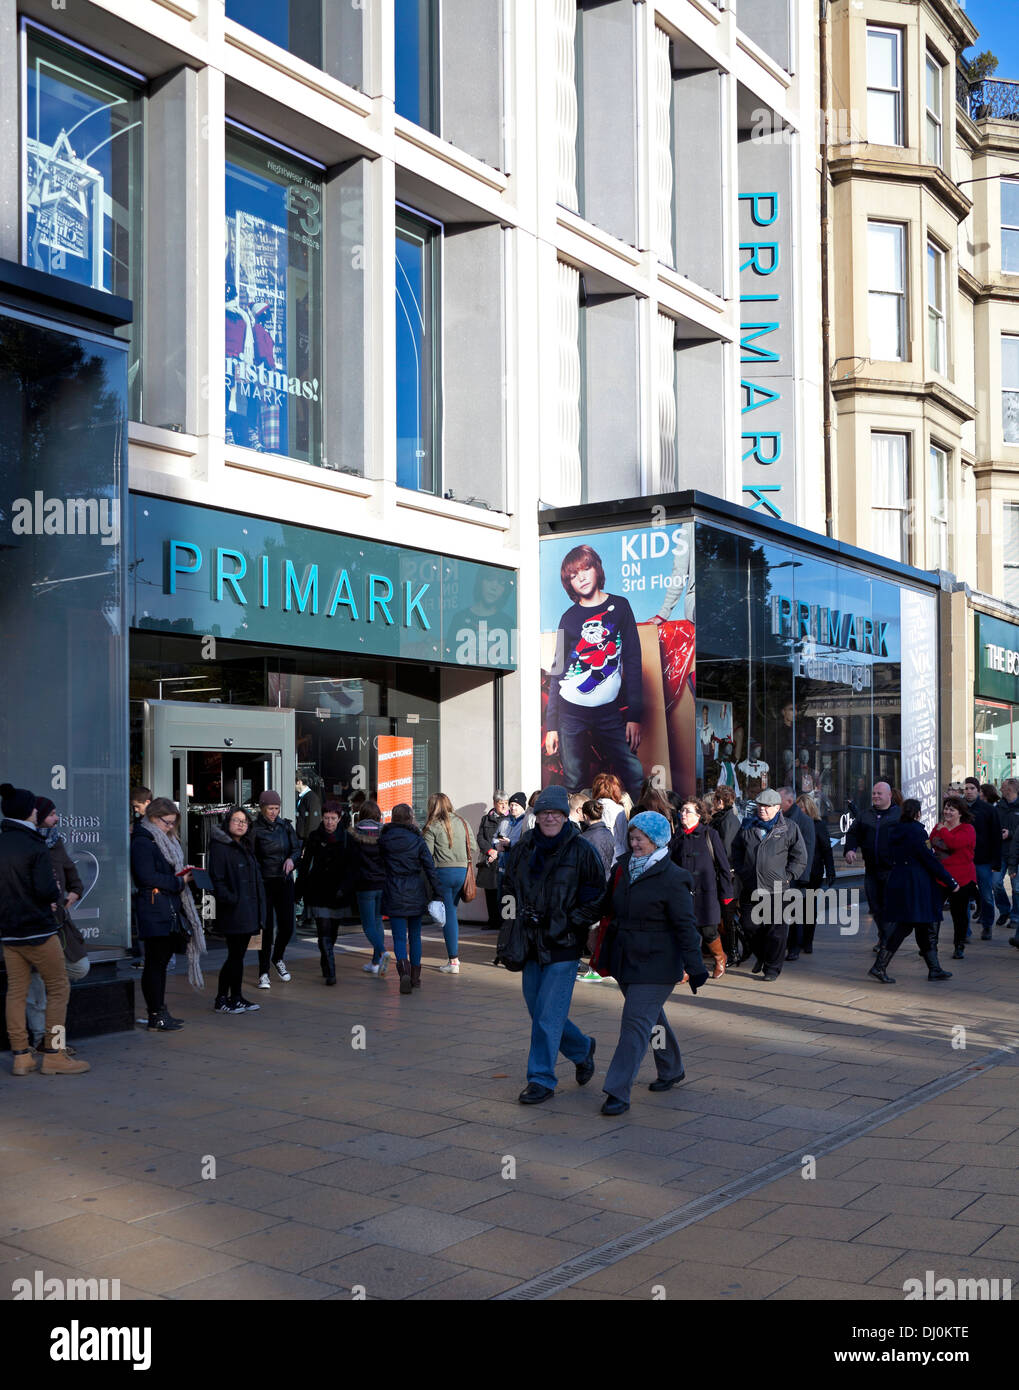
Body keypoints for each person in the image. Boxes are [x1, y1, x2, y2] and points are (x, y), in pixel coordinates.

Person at [500, 784, 604, 1104]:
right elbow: (508, 891)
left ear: (565, 815)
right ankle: (582, 1048)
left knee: (547, 1015)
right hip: (530, 942)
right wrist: (511, 926)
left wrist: (571, 921)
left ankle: (541, 1079)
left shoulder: (581, 850)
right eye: (544, 812)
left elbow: (597, 896)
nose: (549, 818)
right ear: (537, 815)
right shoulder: (523, 848)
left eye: (555, 813)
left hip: (563, 943)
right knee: (539, 1011)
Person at [597, 812, 707, 1115]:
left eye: (640, 839)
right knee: (650, 1019)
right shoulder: (622, 869)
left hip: (657, 965)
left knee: (634, 1024)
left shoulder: (674, 878)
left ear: (656, 841)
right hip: (625, 960)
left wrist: (696, 967)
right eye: (631, 838)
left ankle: (617, 1090)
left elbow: (686, 926)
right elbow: (604, 906)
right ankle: (671, 1068)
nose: (634, 843)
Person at [544, 544, 644, 800]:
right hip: (570, 712)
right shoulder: (568, 618)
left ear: (597, 569)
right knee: (574, 779)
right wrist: (551, 726)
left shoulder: (620, 606)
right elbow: (557, 671)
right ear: (569, 584)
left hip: (608, 710)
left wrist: (635, 716)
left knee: (632, 772)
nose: (582, 577)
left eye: (586, 569)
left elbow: (633, 660)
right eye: (573, 576)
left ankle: (642, 829)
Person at [1, 783, 89, 1075]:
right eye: (36, 809)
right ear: (28, 812)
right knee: (59, 988)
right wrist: (54, 895)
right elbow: (46, 889)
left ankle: (21, 1056)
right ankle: (54, 1053)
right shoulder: (34, 843)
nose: (38, 812)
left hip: (9, 933)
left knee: (16, 992)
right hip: (39, 931)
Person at [131, 797, 200, 1032]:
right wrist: (178, 881)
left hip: (166, 906)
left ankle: (159, 1011)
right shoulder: (143, 841)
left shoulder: (161, 839)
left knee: (159, 963)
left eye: (173, 823)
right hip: (154, 908)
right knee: (155, 963)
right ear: (153, 817)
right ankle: (155, 1014)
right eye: (167, 822)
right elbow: (146, 877)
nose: (170, 827)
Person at [24, 798, 88, 1054]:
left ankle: (51, 1040)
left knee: (78, 968)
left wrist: (74, 892)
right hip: (34, 925)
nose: (56, 818)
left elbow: (73, 875)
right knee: (37, 989)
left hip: (59, 925)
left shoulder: (56, 842)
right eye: (51, 814)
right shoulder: (24, 845)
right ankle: (46, 1041)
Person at [870, 800, 957, 984]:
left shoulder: (894, 830)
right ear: (917, 813)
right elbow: (929, 859)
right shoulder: (917, 831)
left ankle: (934, 969)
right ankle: (880, 966)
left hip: (900, 882)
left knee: (919, 925)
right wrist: (950, 881)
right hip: (917, 885)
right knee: (907, 926)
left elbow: (887, 855)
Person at [731, 787, 808, 982]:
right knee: (749, 925)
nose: (762, 809)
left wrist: (789, 875)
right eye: (760, 806)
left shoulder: (789, 827)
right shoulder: (747, 826)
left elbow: (800, 857)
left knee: (777, 931)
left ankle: (772, 968)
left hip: (778, 889)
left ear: (777, 808)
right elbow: (736, 851)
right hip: (751, 887)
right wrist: (742, 871)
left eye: (767, 806)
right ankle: (763, 956)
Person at [208, 806, 265, 1012]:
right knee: (235, 955)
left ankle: (236, 996)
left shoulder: (246, 845)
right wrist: (231, 899)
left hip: (247, 909)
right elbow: (217, 879)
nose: (241, 824)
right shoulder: (220, 846)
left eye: (244, 821)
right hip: (233, 910)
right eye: (236, 820)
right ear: (228, 822)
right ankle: (222, 998)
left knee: (238, 956)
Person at [379, 803, 441, 994]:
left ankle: (403, 970)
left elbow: (379, 865)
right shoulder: (417, 839)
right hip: (415, 891)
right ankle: (415, 977)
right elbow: (430, 867)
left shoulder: (385, 839)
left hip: (394, 891)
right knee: (415, 937)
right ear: (410, 818)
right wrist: (438, 893)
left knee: (398, 937)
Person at [669, 800, 730, 980]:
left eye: (687, 811)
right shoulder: (677, 837)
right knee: (687, 932)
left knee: (709, 930)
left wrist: (727, 894)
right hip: (683, 893)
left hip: (707, 892)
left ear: (698, 815)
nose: (683, 814)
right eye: (681, 811)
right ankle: (687, 969)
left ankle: (720, 958)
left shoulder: (710, 834)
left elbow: (723, 865)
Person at [252, 789, 301, 989]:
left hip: (284, 881)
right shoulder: (254, 829)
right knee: (265, 929)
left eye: (276, 808)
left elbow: (297, 848)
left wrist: (292, 860)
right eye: (270, 808)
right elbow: (251, 856)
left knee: (287, 925)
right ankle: (263, 972)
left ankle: (277, 957)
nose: (273, 812)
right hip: (264, 883)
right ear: (262, 808)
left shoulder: (286, 826)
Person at [296, 800, 348, 985]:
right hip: (317, 890)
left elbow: (352, 867)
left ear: (339, 818)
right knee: (323, 930)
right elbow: (305, 865)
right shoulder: (314, 837)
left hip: (338, 893)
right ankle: (331, 971)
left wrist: (346, 887)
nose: (329, 822)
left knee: (332, 933)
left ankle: (326, 958)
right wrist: (298, 891)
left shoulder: (346, 838)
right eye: (326, 818)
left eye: (333, 818)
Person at [423, 792, 476, 976]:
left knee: (449, 915)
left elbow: (426, 855)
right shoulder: (463, 822)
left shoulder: (432, 826)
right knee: (451, 910)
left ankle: (453, 960)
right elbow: (474, 847)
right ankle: (453, 959)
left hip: (443, 873)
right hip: (462, 872)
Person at [844, 782, 901, 947]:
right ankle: (885, 936)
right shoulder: (865, 815)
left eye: (879, 794)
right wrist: (850, 850)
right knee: (875, 907)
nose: (875, 796)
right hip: (871, 870)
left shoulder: (899, 815)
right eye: (874, 793)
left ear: (889, 796)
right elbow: (853, 833)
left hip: (892, 870)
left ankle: (886, 940)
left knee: (889, 907)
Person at [787, 792, 837, 958]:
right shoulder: (792, 824)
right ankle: (795, 942)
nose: (799, 812)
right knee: (795, 908)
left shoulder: (817, 825)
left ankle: (807, 941)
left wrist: (830, 870)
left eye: (801, 808)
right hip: (796, 872)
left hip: (813, 872)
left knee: (809, 908)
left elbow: (826, 850)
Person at [929, 796, 978, 960]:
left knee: (959, 914)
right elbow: (932, 842)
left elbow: (954, 844)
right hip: (941, 877)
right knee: (933, 911)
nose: (947, 812)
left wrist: (943, 832)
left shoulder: (967, 829)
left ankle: (959, 945)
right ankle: (930, 945)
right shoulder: (938, 827)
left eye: (952, 809)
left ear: (960, 813)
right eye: (946, 808)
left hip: (962, 879)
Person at [347, 800, 389, 976]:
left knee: (367, 925)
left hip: (364, 884)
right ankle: (375, 962)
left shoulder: (353, 833)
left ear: (361, 814)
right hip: (382, 882)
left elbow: (350, 860)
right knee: (378, 920)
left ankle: (382, 951)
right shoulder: (385, 833)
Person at [779, 786, 816, 962]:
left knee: (793, 914)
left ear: (789, 801)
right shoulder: (777, 817)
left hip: (793, 875)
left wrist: (802, 877)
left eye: (779, 800)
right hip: (776, 873)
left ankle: (794, 947)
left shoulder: (804, 821)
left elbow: (807, 852)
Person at [963, 776, 1000, 940]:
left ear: (978, 791)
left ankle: (987, 925)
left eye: (972, 788)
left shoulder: (988, 810)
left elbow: (995, 836)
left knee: (986, 895)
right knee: (963, 897)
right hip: (963, 860)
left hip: (983, 860)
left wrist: (996, 861)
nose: (969, 791)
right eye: (966, 788)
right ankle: (964, 930)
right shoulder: (959, 808)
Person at [477, 791, 510, 928]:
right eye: (500, 803)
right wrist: (490, 851)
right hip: (489, 860)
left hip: (503, 859)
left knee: (505, 891)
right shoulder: (486, 819)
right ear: (495, 804)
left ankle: (506, 923)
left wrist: (497, 851)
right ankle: (493, 921)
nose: (504, 806)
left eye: (506, 803)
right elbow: (480, 838)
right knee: (490, 891)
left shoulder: (510, 819)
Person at [994, 777, 1019, 931]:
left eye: (1002, 787)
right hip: (1000, 852)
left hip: (1016, 854)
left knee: (1016, 888)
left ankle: (1015, 916)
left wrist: (1010, 834)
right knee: (995, 883)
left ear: (1010, 790)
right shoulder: (999, 806)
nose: (1000, 789)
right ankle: (1004, 910)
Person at [592, 772, 629, 863]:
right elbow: (623, 837)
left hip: (596, 855)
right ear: (615, 790)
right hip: (616, 856)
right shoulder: (618, 810)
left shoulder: (591, 807)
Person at [579, 798, 615, 881]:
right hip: (607, 878)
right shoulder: (608, 833)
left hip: (592, 882)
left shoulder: (584, 838)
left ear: (585, 816)